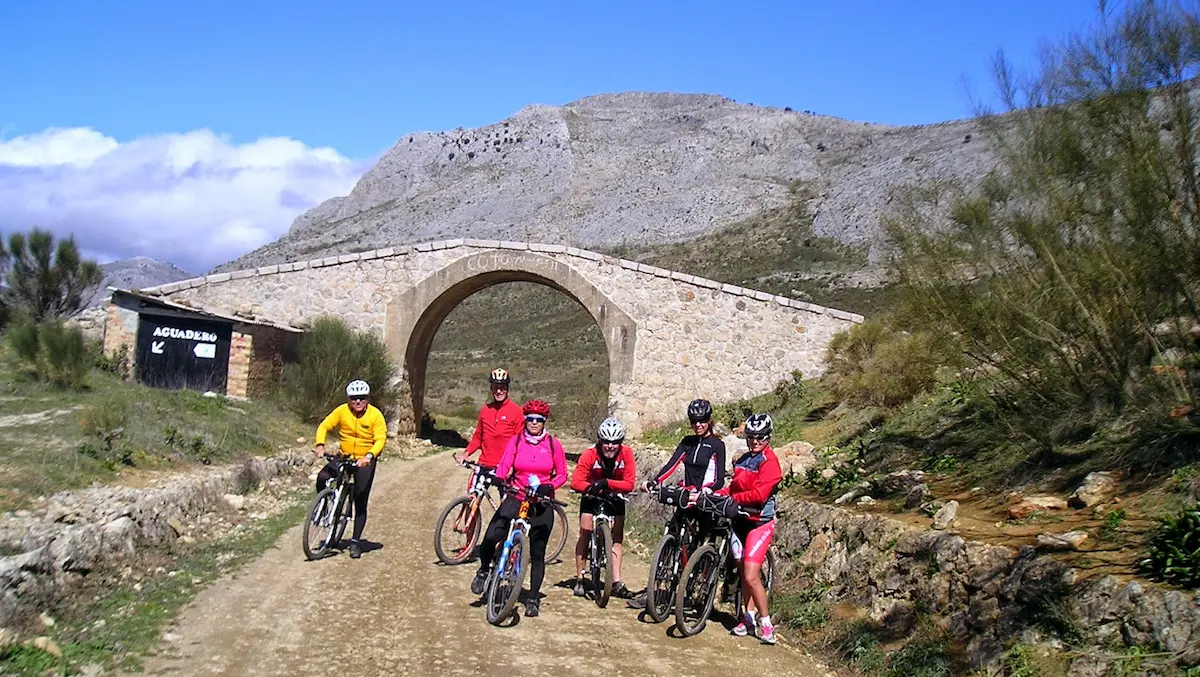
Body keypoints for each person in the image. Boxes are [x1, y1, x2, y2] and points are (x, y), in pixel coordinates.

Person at [470, 399, 567, 617]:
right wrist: (500, 478)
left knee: (538, 553)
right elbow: (505, 465)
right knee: (490, 537)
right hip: (517, 493)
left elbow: (562, 474)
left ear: (544, 422)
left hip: (541, 500)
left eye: (538, 420)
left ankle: (532, 598)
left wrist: (548, 486)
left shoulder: (553, 444)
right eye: (530, 419)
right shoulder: (516, 441)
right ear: (525, 420)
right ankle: (484, 569)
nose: (534, 423)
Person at [628, 398, 727, 609]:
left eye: (702, 420)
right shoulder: (687, 442)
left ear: (709, 420)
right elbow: (671, 464)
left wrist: (704, 492)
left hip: (703, 500)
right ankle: (657, 588)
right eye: (693, 421)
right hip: (685, 497)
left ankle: (697, 583)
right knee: (672, 534)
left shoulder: (717, 445)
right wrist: (655, 481)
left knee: (699, 543)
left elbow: (719, 478)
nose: (698, 424)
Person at [717, 413, 783, 645]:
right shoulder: (744, 460)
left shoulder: (770, 462)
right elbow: (733, 489)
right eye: (751, 437)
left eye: (761, 437)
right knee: (742, 569)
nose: (755, 441)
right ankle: (748, 617)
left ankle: (766, 624)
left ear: (769, 437)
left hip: (759, 522)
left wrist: (735, 500)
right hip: (739, 521)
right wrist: (717, 495)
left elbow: (760, 495)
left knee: (751, 574)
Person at [313, 379, 387, 559]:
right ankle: (323, 508)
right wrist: (320, 445)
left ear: (368, 399)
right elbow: (324, 425)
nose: (358, 402)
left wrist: (369, 456)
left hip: (364, 459)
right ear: (348, 399)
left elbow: (380, 439)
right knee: (322, 477)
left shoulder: (375, 416)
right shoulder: (342, 411)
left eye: (362, 398)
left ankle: (355, 541)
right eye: (354, 398)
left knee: (360, 497)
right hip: (344, 455)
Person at [569, 417, 636, 599]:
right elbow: (576, 481)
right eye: (606, 441)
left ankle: (616, 582)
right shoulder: (590, 454)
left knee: (617, 538)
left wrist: (607, 483)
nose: (610, 446)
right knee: (585, 531)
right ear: (600, 441)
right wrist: (592, 488)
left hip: (615, 495)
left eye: (614, 442)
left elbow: (629, 484)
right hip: (592, 494)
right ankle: (580, 578)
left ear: (620, 443)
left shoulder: (627, 454)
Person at [455, 368, 523, 487]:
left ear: (507, 389)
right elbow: (478, 437)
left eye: (502, 388)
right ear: (491, 388)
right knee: (472, 497)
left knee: (507, 503)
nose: (499, 391)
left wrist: (513, 465)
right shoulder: (485, 410)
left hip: (504, 467)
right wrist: (466, 454)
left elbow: (519, 443)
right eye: (495, 387)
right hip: (484, 464)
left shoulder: (517, 412)